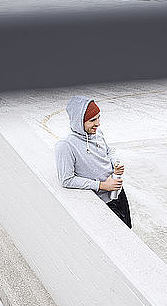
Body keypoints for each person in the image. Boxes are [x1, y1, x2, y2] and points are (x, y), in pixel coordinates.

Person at [55, 96, 132, 228]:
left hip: (118, 192)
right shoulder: (66, 145)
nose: (98, 123)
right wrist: (102, 185)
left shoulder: (97, 132)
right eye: (92, 120)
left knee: (128, 229)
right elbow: (66, 180)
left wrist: (115, 163)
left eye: (98, 117)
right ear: (79, 121)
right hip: (103, 202)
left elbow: (108, 150)